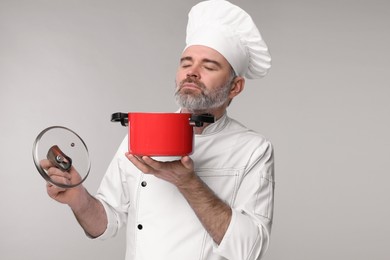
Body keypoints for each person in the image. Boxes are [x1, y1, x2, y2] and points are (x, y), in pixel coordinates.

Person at [42, 0, 275, 259]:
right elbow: (106, 223)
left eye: (208, 66)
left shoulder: (254, 149)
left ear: (235, 87)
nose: (192, 73)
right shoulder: (142, 132)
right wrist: (77, 197)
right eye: (186, 63)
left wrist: (187, 182)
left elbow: (249, 250)